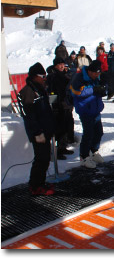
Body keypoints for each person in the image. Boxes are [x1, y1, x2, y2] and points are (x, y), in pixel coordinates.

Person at [18, 63, 56, 195]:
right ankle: (35, 185)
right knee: (41, 159)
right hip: (38, 132)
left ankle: (40, 181)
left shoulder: (39, 88)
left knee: (45, 158)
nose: (44, 78)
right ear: (35, 76)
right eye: (42, 76)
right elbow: (29, 115)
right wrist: (37, 132)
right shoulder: (29, 91)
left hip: (45, 129)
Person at [70, 60, 106, 168]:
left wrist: (103, 89)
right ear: (90, 71)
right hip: (85, 110)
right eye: (96, 73)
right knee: (88, 134)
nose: (97, 75)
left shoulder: (96, 78)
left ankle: (94, 151)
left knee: (99, 132)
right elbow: (76, 92)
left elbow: (102, 87)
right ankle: (84, 156)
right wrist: (94, 90)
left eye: (99, 73)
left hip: (95, 109)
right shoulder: (79, 77)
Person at [46, 57, 75, 160]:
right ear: (55, 66)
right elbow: (51, 92)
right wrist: (54, 105)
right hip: (59, 106)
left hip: (66, 104)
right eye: (60, 64)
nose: (62, 66)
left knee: (67, 127)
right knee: (59, 128)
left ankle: (63, 147)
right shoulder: (52, 76)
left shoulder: (64, 75)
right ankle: (57, 151)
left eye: (63, 64)